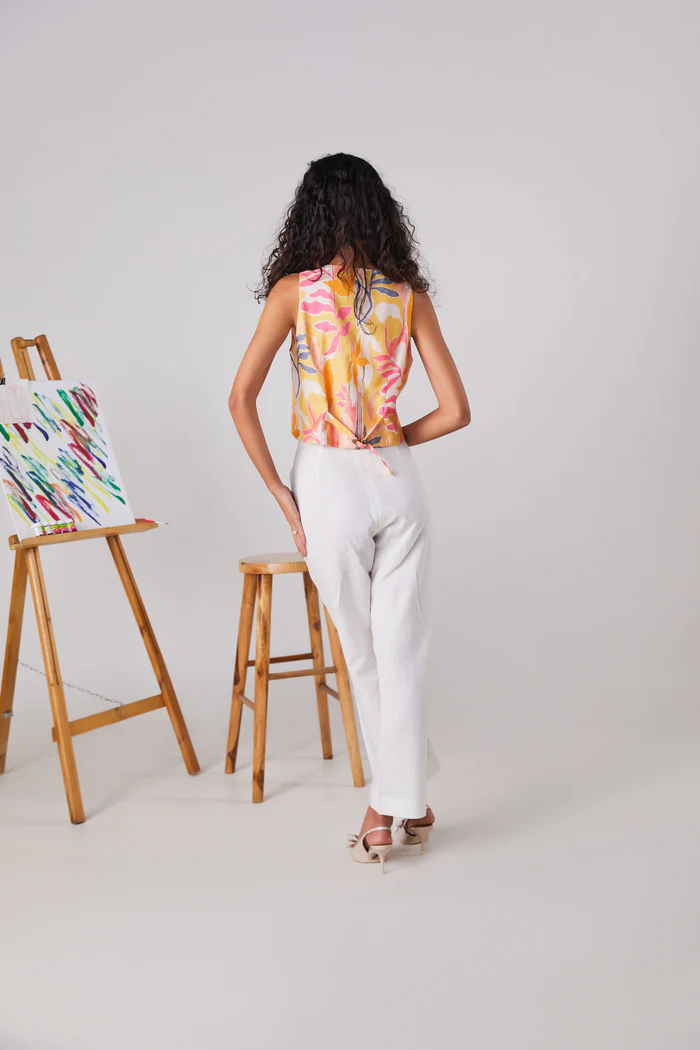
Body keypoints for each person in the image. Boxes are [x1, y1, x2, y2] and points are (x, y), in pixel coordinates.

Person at [229, 153, 470, 872]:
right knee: (403, 649)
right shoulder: (408, 296)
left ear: (311, 215)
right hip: (398, 480)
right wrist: (391, 437)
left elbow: (240, 399)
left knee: (364, 653)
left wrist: (281, 492)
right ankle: (412, 802)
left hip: (326, 479)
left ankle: (380, 813)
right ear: (378, 212)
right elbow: (456, 411)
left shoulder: (293, 294)